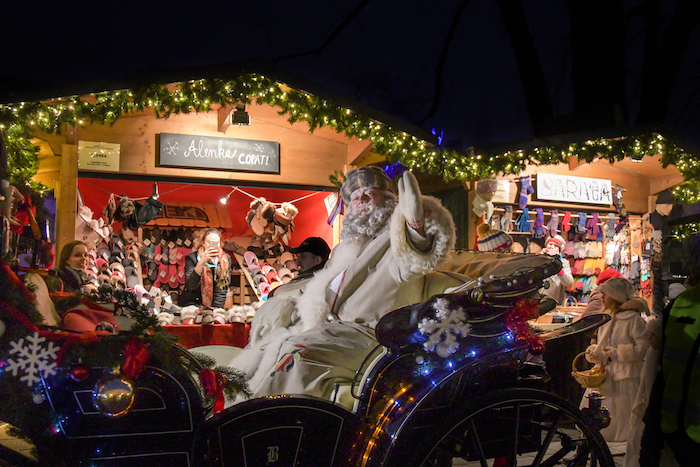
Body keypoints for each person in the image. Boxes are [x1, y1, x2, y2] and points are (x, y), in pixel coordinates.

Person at [228, 167, 455, 405]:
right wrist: (286, 305)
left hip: (372, 334)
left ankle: (278, 422)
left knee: (295, 353)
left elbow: (416, 254)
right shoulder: (345, 249)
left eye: (369, 194)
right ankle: (240, 408)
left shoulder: (396, 241)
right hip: (332, 327)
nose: (361, 201)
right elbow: (324, 285)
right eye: (355, 197)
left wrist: (416, 224)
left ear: (388, 199)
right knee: (266, 344)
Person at [582, 277, 650, 442]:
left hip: (626, 375)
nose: (602, 298)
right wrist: (595, 353)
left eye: (605, 294)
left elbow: (643, 348)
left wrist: (618, 353)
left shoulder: (634, 320)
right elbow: (601, 344)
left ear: (614, 296)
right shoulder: (606, 317)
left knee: (623, 416)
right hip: (605, 375)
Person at [180, 228, 231, 308]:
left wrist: (216, 309)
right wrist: (201, 262)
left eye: (216, 242)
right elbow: (190, 286)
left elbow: (222, 288)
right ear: (203, 243)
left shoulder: (225, 260)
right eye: (209, 242)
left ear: (220, 244)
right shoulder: (192, 257)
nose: (212, 245)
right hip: (192, 303)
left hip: (214, 305)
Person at [538, 235, 574, 311]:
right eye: (550, 244)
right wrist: (540, 258)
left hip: (556, 302)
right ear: (546, 246)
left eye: (556, 245)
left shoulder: (564, 263)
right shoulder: (538, 259)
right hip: (538, 300)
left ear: (559, 250)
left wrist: (560, 271)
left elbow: (569, 282)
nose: (552, 247)